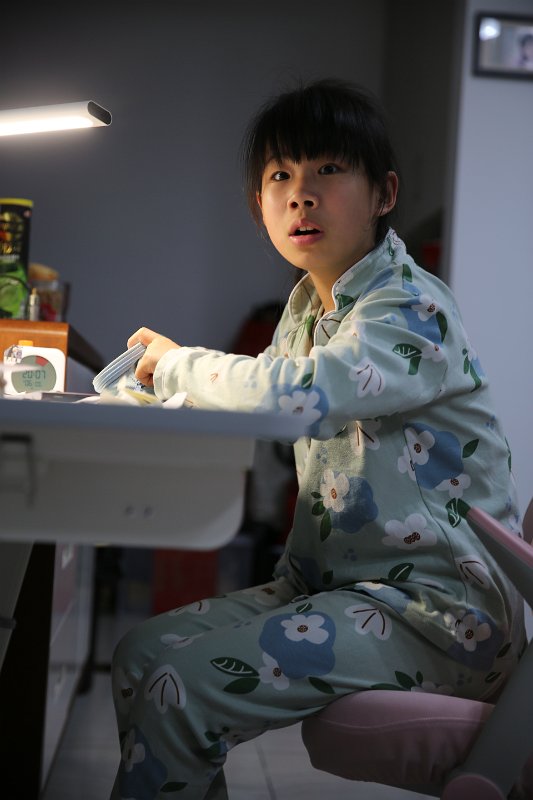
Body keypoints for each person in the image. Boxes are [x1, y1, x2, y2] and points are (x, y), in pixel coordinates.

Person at [110, 78, 525, 800]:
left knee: (183, 687)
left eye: (327, 169)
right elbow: (267, 401)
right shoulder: (306, 307)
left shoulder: (410, 305)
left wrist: (180, 364)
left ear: (383, 193)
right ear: (259, 206)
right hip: (331, 588)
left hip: (436, 613)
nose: (301, 194)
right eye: (280, 176)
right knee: (142, 654)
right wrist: (153, 387)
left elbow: (303, 391)